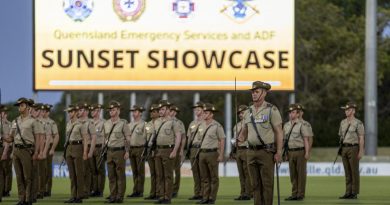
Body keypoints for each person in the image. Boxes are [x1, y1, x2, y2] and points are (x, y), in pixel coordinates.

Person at [238, 81, 283, 205]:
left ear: (264, 93)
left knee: (267, 184)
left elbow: (279, 132)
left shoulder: (271, 110)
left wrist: (279, 151)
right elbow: (244, 132)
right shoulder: (248, 112)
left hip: (266, 151)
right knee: (255, 185)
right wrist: (240, 137)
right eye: (252, 92)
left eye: (256, 91)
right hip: (250, 152)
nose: (253, 94)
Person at [3, 98, 42, 205]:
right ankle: (21, 198)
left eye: (22, 105)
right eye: (19, 105)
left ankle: (28, 199)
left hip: (27, 150)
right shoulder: (15, 121)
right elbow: (11, 138)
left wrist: (37, 152)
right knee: (19, 177)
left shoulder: (33, 121)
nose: (20, 107)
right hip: (16, 150)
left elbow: (38, 138)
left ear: (28, 107)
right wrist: (3, 137)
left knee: (28, 176)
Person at [152, 100, 182, 204]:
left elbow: (178, 137)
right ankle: (161, 196)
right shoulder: (156, 122)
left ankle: (167, 197)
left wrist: (175, 150)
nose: (160, 111)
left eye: (163, 109)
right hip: (158, 150)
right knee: (159, 175)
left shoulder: (174, 122)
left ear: (168, 110)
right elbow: (154, 137)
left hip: (168, 149)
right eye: (159, 109)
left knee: (168, 175)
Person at [196, 103, 225, 204]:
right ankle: (205, 197)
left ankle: (212, 198)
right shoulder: (200, 125)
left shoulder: (217, 125)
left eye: (206, 113)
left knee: (213, 177)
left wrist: (221, 154)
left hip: (212, 153)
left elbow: (222, 140)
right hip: (202, 153)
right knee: (204, 177)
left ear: (211, 114)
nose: (203, 114)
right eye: (203, 112)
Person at [103, 101, 131, 203]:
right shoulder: (106, 123)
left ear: (118, 111)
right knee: (111, 176)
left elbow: (128, 138)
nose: (111, 111)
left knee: (120, 175)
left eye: (113, 109)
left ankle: (120, 196)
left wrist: (127, 151)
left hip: (119, 151)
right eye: (110, 110)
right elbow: (105, 138)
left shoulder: (123, 123)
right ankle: (113, 196)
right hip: (109, 151)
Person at [283, 104, 312, 201]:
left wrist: (307, 152)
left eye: (293, 112)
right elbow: (285, 141)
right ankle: (294, 193)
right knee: (293, 174)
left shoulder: (302, 125)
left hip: (300, 151)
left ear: (298, 114)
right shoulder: (286, 125)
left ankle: (300, 194)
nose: (291, 114)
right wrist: (285, 153)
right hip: (290, 152)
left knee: (301, 174)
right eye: (290, 112)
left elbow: (306, 140)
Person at [338, 102, 365, 200]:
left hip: (354, 148)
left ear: (353, 111)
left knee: (354, 171)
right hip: (344, 148)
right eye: (345, 110)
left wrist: (361, 151)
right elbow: (341, 136)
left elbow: (361, 138)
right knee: (347, 172)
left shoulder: (358, 123)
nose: (346, 111)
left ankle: (354, 192)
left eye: (348, 110)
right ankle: (348, 192)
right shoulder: (343, 122)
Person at [63, 104, 87, 203]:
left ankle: (79, 196)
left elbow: (85, 139)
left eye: (71, 112)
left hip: (78, 147)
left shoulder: (80, 124)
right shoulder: (68, 124)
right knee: (72, 175)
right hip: (69, 147)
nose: (69, 114)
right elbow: (67, 139)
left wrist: (85, 152)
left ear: (75, 112)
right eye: (68, 112)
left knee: (79, 173)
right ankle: (73, 195)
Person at [232, 104, 252, 200]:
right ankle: (243, 192)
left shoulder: (250, 123)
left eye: (242, 112)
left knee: (247, 173)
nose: (240, 114)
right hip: (238, 150)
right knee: (241, 174)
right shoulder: (237, 125)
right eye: (239, 113)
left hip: (247, 149)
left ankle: (248, 193)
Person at [77, 102, 97, 198]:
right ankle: (78, 191)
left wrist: (90, 151)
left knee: (85, 171)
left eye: (80, 110)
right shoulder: (75, 122)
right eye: (78, 110)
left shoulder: (90, 122)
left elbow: (93, 138)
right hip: (76, 148)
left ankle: (86, 191)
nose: (78, 112)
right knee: (78, 171)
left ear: (85, 111)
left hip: (86, 147)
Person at [127, 105, 147, 198]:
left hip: (140, 149)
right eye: (133, 112)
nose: (133, 113)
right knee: (134, 171)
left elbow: (146, 138)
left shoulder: (144, 124)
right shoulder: (129, 124)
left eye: (135, 111)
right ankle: (135, 190)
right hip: (131, 149)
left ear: (140, 113)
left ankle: (140, 191)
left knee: (140, 171)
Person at [186, 101, 204, 200]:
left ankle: (204, 193)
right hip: (193, 148)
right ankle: (197, 193)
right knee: (195, 172)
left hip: (202, 149)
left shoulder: (206, 122)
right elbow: (189, 137)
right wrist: (188, 149)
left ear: (203, 110)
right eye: (195, 109)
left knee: (203, 172)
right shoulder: (192, 123)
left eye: (198, 109)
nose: (196, 111)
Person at [43, 104, 59, 197]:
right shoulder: (37, 121)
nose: (43, 112)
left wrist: (52, 148)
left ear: (48, 112)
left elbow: (56, 136)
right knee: (40, 170)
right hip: (40, 147)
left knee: (47, 170)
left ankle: (47, 190)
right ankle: (40, 189)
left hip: (48, 147)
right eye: (42, 111)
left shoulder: (51, 123)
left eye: (45, 111)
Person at [169, 105, 186, 198]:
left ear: (175, 113)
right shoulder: (165, 120)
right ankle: (168, 189)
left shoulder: (179, 123)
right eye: (171, 111)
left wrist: (182, 149)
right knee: (168, 170)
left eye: (173, 111)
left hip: (177, 147)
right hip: (167, 147)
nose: (171, 113)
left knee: (176, 170)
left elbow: (183, 137)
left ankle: (175, 190)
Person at [89, 103, 106, 197]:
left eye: (94, 110)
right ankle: (94, 190)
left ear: (98, 111)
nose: (92, 112)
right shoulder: (89, 122)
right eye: (91, 110)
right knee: (93, 170)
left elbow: (105, 137)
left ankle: (100, 190)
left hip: (99, 148)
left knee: (100, 170)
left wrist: (104, 149)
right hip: (91, 148)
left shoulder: (103, 122)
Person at [144, 104, 160, 200]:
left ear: (158, 113)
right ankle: (153, 192)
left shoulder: (161, 123)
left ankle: (159, 192)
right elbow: (145, 137)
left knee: (159, 173)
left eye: (154, 111)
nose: (151, 113)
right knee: (153, 173)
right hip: (150, 149)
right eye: (151, 111)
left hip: (158, 150)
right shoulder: (148, 124)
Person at [0, 105, 12, 202]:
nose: (2, 114)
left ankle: (6, 190)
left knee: (6, 171)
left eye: (3, 112)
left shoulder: (9, 124)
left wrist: (5, 152)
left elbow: (8, 139)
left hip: (6, 149)